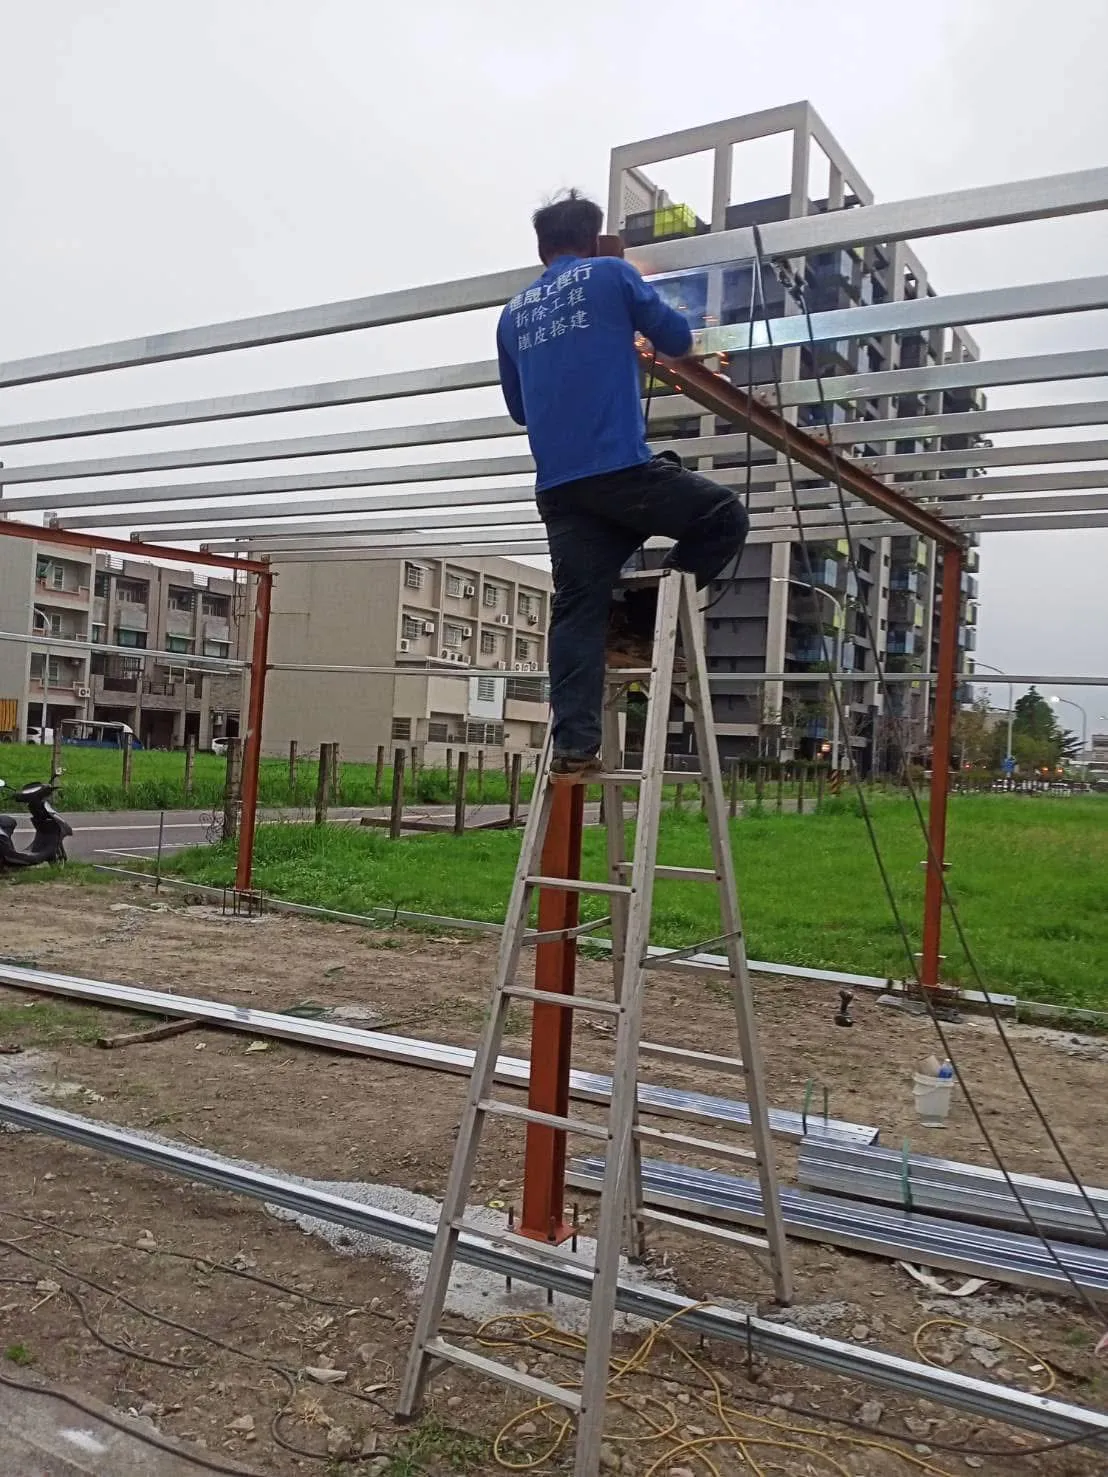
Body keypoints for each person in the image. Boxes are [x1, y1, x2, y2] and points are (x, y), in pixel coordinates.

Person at [496, 190, 749, 777]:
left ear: (542, 248)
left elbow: (520, 409)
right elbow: (678, 339)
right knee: (722, 517)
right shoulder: (611, 274)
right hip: (620, 469)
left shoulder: (512, 315)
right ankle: (638, 625)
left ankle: (574, 749)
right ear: (593, 240)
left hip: (560, 487)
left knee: (577, 608)